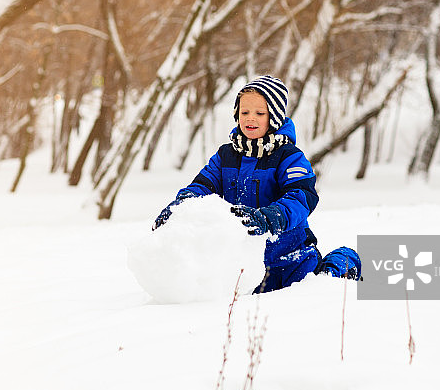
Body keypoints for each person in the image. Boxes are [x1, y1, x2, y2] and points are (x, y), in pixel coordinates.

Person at [153, 75, 360, 293]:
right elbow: (202, 187)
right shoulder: (225, 156)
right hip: (246, 260)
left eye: (260, 113)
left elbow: (301, 196)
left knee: (316, 289)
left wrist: (269, 218)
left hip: (291, 257)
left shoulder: (288, 156)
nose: (250, 119)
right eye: (244, 112)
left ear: (274, 117)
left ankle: (345, 261)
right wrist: (181, 209)